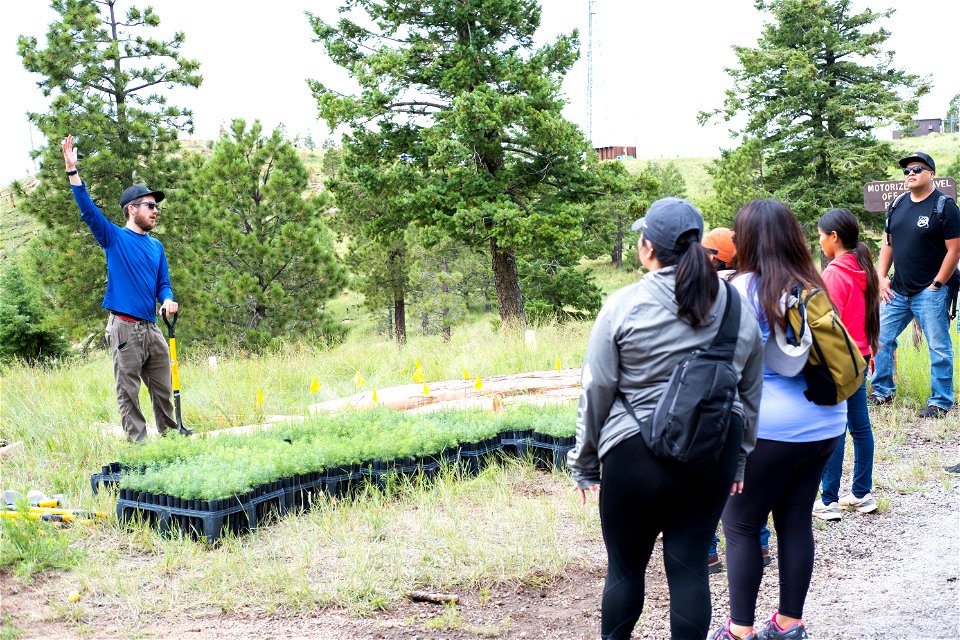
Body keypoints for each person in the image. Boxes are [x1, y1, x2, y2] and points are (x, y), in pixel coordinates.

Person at [568, 197, 763, 640]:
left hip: (633, 456)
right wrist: (739, 460)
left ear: (647, 248)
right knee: (690, 564)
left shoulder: (623, 304)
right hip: (712, 453)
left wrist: (584, 463)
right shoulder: (735, 305)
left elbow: (597, 387)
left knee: (624, 570)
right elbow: (750, 390)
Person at [711, 200, 846, 640]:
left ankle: (740, 631)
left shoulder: (738, 291)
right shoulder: (812, 285)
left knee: (743, 524)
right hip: (825, 422)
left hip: (766, 430)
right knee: (794, 520)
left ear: (744, 239)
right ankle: (789, 624)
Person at [62, 135, 180, 443]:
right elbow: (89, 212)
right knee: (128, 393)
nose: (156, 211)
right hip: (124, 328)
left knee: (163, 390)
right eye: (150, 206)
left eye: (157, 207)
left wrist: (167, 299)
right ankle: (139, 450)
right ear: (132, 209)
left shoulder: (156, 247)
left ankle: (171, 442)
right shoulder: (113, 238)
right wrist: (73, 173)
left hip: (151, 329)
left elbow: (163, 284)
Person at [702, 227, 772, 573]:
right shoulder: (759, 283)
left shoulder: (709, 289)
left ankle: (708, 552)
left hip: (716, 400)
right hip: (754, 399)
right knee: (748, 479)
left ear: (717, 258)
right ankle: (759, 546)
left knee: (706, 480)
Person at [869, 151, 959, 418]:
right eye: (907, 171)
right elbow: (888, 244)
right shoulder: (897, 204)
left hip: (929, 291)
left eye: (917, 169)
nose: (910, 174)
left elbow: (954, 251)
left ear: (931, 174)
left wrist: (937, 284)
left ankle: (940, 401)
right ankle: (882, 392)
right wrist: (881, 277)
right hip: (897, 290)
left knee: (939, 347)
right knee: (881, 338)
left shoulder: (944, 206)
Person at [813, 209, 880, 520]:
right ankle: (862, 493)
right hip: (862, 354)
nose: (820, 241)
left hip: (839, 359)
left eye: (821, 235)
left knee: (835, 428)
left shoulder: (833, 275)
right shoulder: (863, 269)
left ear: (834, 237)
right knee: (860, 426)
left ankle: (828, 500)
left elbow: (827, 325)